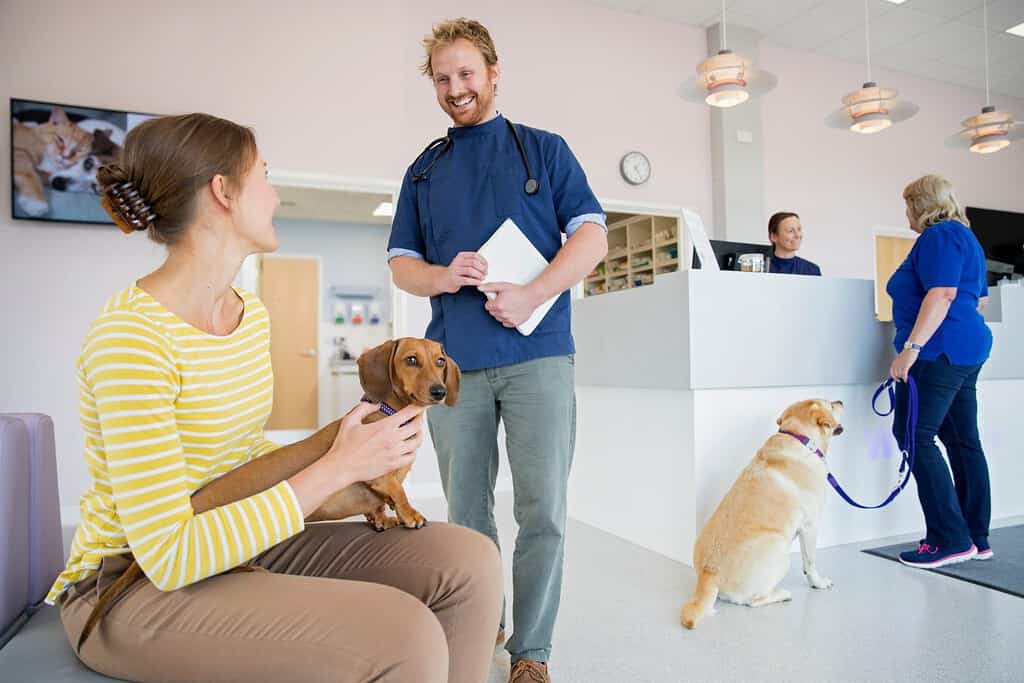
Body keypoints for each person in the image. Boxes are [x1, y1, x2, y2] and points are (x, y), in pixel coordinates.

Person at [46, 112, 502, 683]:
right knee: (401, 633)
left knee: (471, 562)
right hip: (129, 583)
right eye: (264, 174)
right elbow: (168, 554)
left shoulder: (248, 313)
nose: (275, 191)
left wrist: (352, 447)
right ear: (223, 191)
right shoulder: (131, 338)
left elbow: (242, 458)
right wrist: (339, 464)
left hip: (234, 539)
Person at [387, 18, 608, 683]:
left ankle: (531, 650)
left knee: (542, 507)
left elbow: (592, 239)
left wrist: (533, 290)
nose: (455, 88)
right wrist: (442, 276)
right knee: (467, 511)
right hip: (454, 367)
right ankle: (487, 619)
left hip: (539, 351)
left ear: (492, 71)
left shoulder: (544, 150)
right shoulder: (424, 170)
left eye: (466, 74)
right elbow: (402, 263)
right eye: (442, 77)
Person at [886, 174, 993, 569]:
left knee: (914, 434)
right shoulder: (966, 237)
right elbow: (974, 300)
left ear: (920, 205)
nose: (906, 213)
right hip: (967, 348)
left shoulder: (938, 236)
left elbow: (943, 293)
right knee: (963, 440)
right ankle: (974, 537)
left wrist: (911, 349)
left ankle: (949, 539)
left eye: (908, 205)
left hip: (940, 350)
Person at [767, 211, 821, 275]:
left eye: (799, 229)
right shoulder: (762, 269)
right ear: (773, 237)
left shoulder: (811, 270)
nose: (798, 235)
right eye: (790, 231)